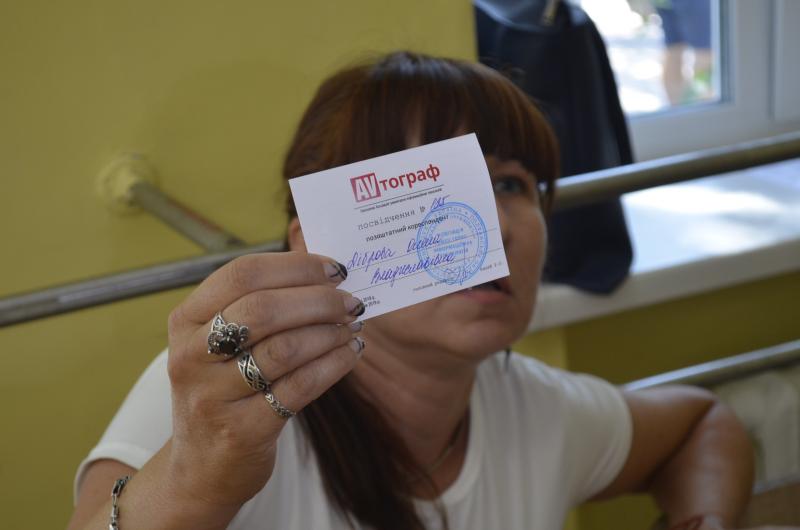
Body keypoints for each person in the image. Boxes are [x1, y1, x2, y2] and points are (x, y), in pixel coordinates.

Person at [69, 51, 759, 530]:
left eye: (511, 184)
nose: (490, 224)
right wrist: (194, 482)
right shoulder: (216, 403)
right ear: (312, 243)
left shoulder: (541, 411)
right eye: (425, 183)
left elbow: (704, 424)